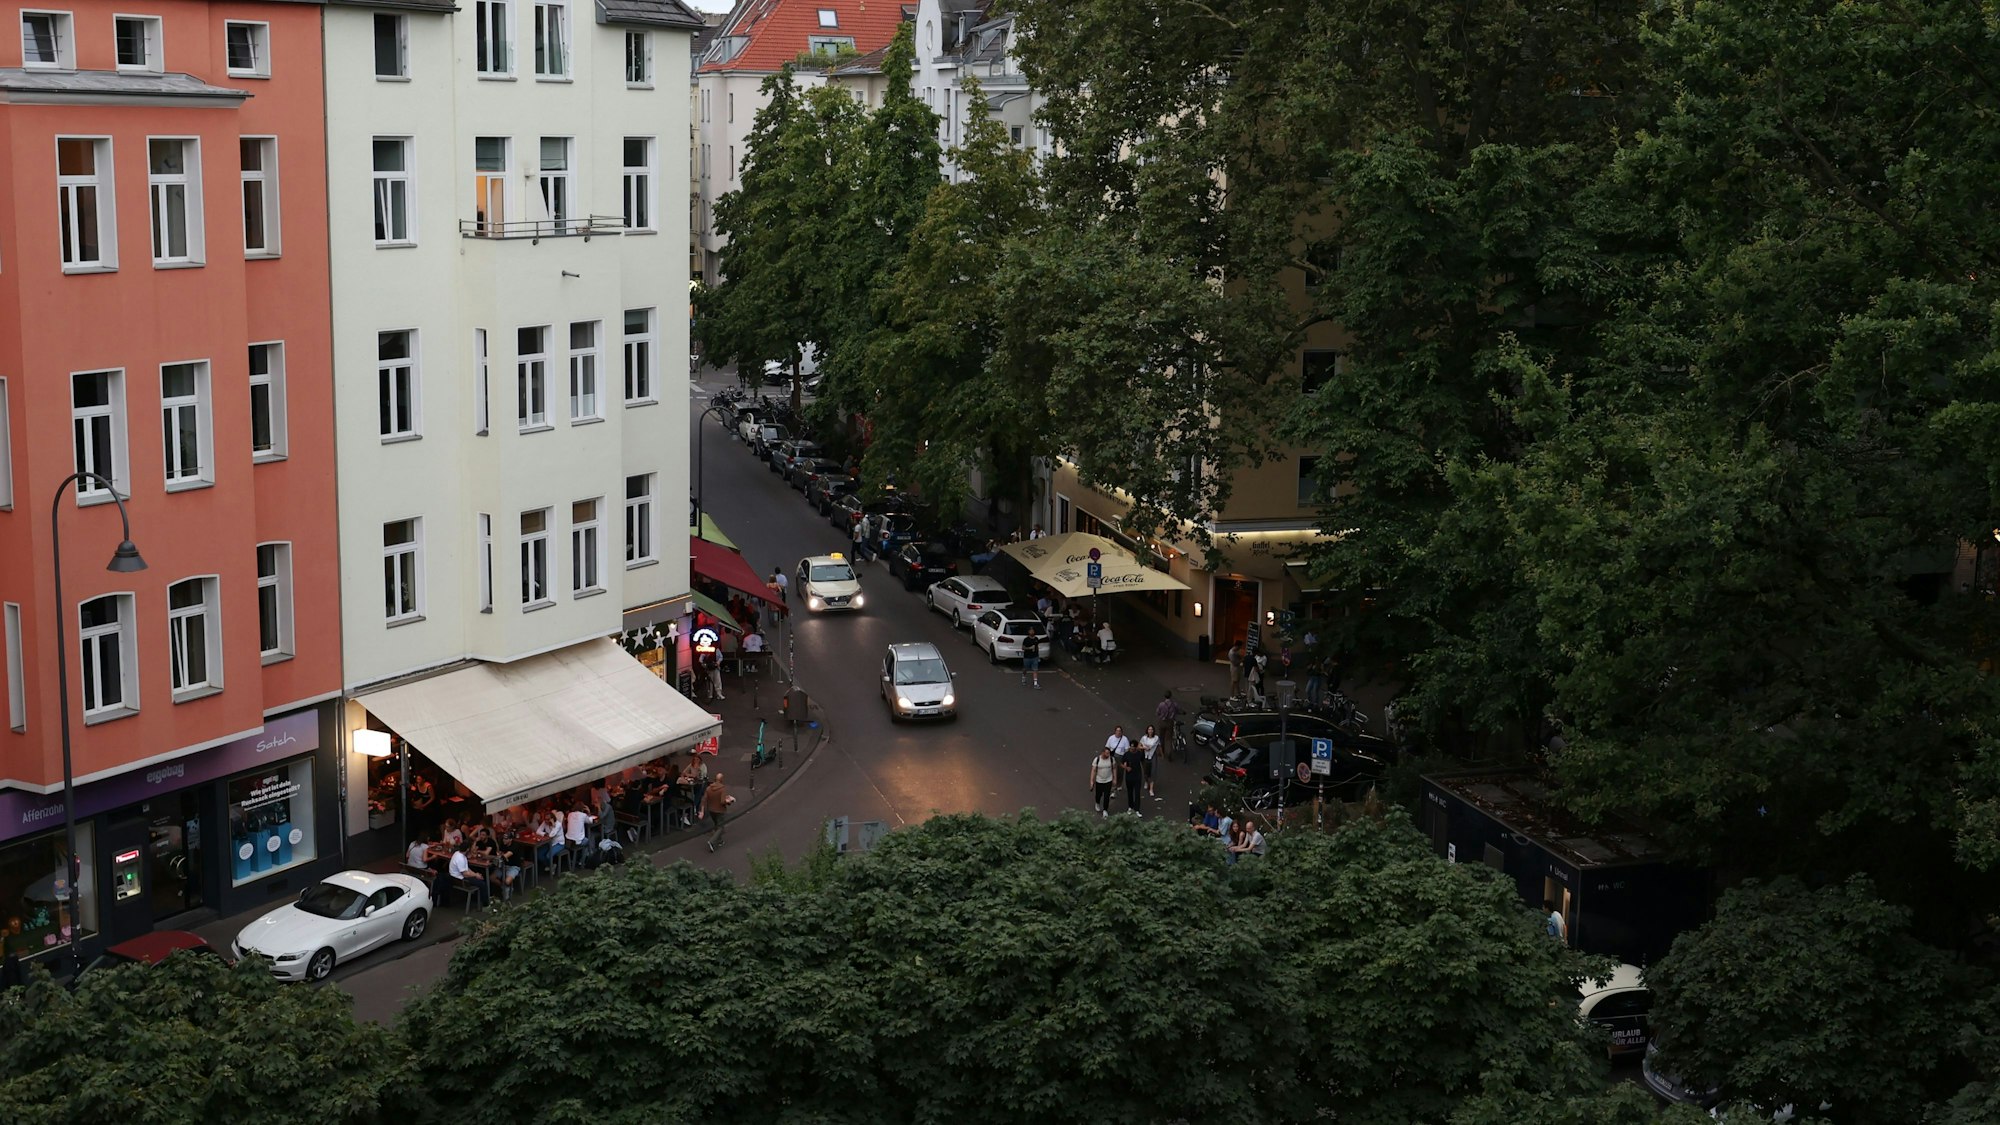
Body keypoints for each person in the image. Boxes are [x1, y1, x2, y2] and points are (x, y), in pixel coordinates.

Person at [703, 772, 735, 851]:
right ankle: (712, 841)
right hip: (720, 810)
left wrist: (702, 810)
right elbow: (722, 802)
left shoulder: (709, 788)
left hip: (711, 810)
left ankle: (720, 841)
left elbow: (705, 799)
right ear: (722, 780)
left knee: (717, 825)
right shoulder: (722, 789)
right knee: (720, 827)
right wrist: (729, 801)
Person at [1089, 748, 1118, 817]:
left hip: (1108, 780)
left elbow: (1114, 768)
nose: (1108, 755)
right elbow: (1093, 770)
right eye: (1107, 753)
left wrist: (1115, 779)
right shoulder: (1097, 760)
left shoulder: (1111, 759)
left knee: (1107, 796)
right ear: (1102, 753)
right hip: (1099, 780)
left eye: (1109, 753)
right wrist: (1091, 781)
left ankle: (1105, 810)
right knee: (1098, 794)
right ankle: (1097, 802)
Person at [1138, 725, 1162, 800]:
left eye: (1152, 729)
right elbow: (1139, 746)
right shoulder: (1144, 738)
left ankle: (1151, 789)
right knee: (1146, 771)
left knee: (1153, 771)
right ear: (1147, 730)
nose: (1150, 731)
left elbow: (1159, 746)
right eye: (1149, 729)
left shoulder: (1156, 738)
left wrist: (1162, 754)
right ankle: (1146, 781)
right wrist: (1144, 747)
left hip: (1153, 756)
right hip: (1145, 756)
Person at [1155, 691, 1181, 758]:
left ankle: (1162, 752)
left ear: (1164, 696)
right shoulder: (1174, 704)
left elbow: (1157, 712)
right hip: (1170, 722)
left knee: (1161, 737)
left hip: (1162, 722)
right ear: (1171, 696)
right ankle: (1169, 752)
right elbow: (1178, 710)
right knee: (1169, 738)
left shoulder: (1161, 704)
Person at [1120, 743, 1144, 814]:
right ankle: (1130, 807)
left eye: (1134, 747)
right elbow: (1121, 763)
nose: (1132, 748)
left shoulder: (1139, 754)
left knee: (1137, 793)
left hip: (1137, 776)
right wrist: (1126, 768)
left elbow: (1142, 760)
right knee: (1130, 792)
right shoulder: (1126, 754)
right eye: (1131, 746)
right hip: (1129, 776)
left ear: (1136, 747)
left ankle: (1137, 809)